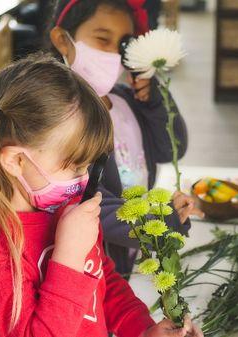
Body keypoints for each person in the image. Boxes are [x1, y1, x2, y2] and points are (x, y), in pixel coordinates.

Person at [0, 55, 202, 337]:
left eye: (88, 165)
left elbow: (104, 282)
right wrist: (68, 256)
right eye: (74, 166)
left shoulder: (69, 207)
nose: (85, 179)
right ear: (15, 161)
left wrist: (143, 329)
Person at [47, 0, 204, 274]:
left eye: (121, 45)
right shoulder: (62, 122)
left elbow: (170, 148)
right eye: (102, 39)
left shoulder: (125, 102)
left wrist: (153, 99)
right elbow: (88, 201)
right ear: (63, 41)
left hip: (134, 248)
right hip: (95, 265)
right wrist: (160, 221)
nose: (111, 54)